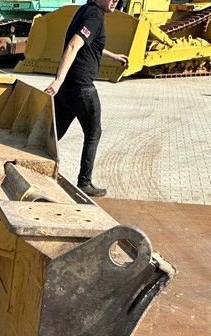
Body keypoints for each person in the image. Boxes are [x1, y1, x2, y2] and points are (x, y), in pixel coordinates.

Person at [44, 0, 129, 197]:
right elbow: (74, 45)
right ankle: (84, 182)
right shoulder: (95, 16)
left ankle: (36, 165)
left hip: (68, 88)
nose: (115, 0)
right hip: (81, 87)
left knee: (54, 134)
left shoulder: (85, 10)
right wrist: (57, 80)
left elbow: (89, 45)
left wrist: (112, 56)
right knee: (93, 133)